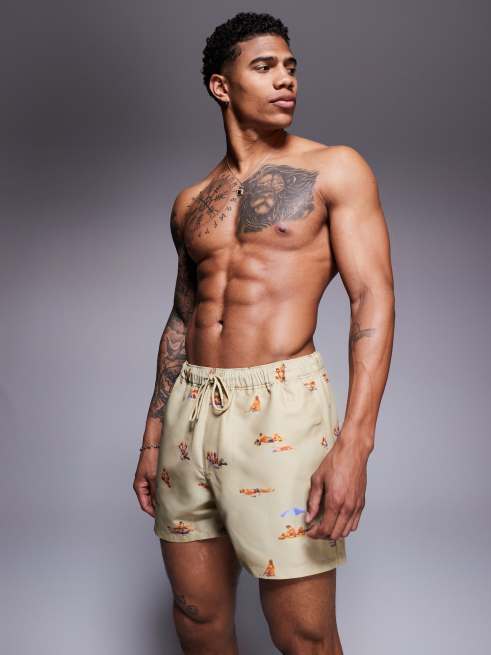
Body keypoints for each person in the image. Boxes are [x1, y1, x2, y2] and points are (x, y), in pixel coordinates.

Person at [133, 11, 395, 655]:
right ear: (222, 86)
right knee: (196, 616)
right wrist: (153, 434)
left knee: (304, 634)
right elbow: (182, 318)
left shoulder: (336, 169)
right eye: (265, 66)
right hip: (193, 407)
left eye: (290, 67)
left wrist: (355, 444)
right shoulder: (191, 201)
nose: (286, 80)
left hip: (280, 406)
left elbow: (372, 299)